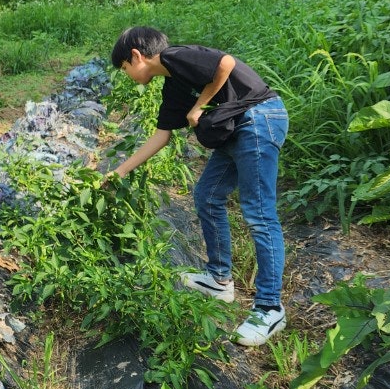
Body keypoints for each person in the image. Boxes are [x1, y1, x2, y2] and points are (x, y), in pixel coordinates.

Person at [108, 26, 289, 347]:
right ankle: (220, 280)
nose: (126, 75)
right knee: (207, 195)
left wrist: (199, 106)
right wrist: (118, 173)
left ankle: (270, 307)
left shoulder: (175, 57)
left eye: (124, 69)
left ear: (136, 57)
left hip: (258, 120)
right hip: (238, 129)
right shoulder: (173, 84)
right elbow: (162, 136)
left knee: (259, 214)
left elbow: (225, 64)